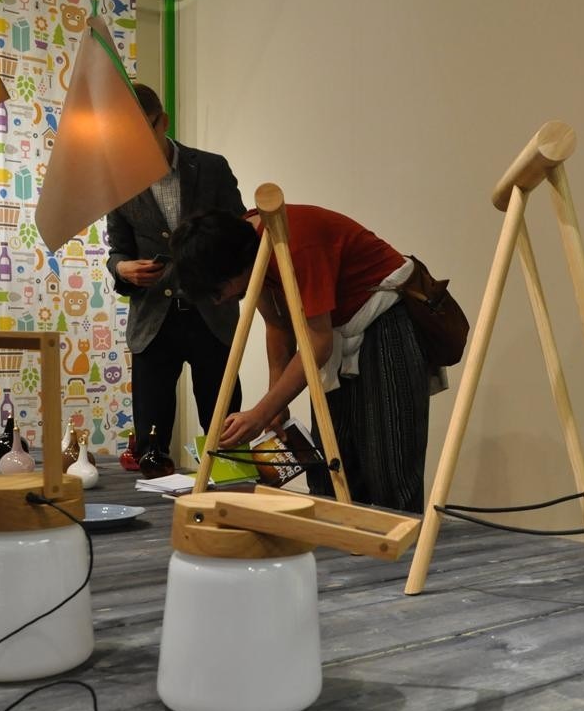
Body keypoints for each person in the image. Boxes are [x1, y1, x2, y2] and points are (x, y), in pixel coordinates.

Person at [169, 205, 431, 511]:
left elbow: (318, 344)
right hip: (336, 332)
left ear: (232, 267)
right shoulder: (250, 247)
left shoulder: (295, 241)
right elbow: (278, 325)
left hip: (385, 323)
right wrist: (276, 406)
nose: (219, 300)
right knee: (335, 465)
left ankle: (404, 540)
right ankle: (339, 536)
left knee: (389, 463)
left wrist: (261, 413)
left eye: (218, 291)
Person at [105, 84, 244, 459]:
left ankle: (229, 494)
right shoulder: (118, 180)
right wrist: (123, 268)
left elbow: (241, 236)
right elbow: (117, 250)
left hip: (212, 315)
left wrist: (230, 282)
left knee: (226, 436)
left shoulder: (212, 169)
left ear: (162, 122)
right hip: (152, 322)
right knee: (150, 445)